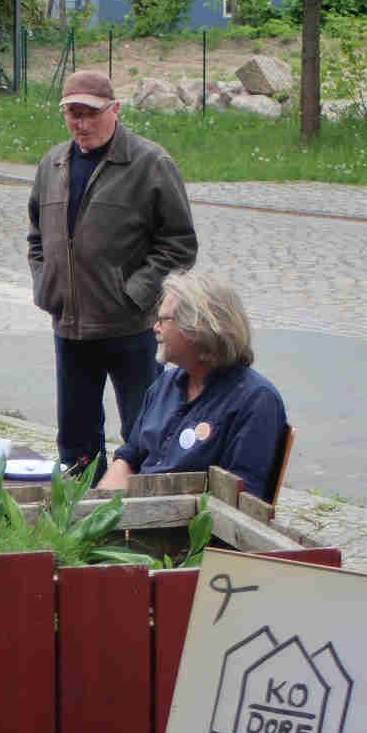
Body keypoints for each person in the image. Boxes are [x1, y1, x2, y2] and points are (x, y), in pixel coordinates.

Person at [27, 69, 198, 477]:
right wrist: (46, 285)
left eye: (91, 113)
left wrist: (135, 293)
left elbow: (179, 244)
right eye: (73, 114)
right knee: (76, 444)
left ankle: (142, 506)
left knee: (144, 434)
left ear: (115, 110)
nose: (81, 124)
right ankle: (79, 507)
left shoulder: (150, 163)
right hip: (70, 327)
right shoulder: (53, 163)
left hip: (131, 327)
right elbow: (37, 236)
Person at [96, 272, 286, 498]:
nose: (155, 327)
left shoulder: (255, 400)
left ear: (197, 327)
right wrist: (100, 506)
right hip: (140, 510)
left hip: (191, 517)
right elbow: (131, 456)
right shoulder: (165, 384)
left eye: (163, 320)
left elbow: (242, 499)